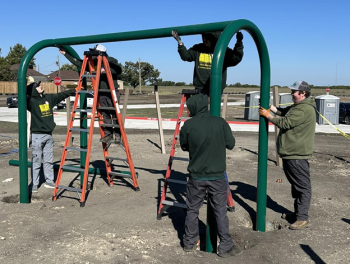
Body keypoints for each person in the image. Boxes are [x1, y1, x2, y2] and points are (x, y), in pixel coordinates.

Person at [179, 93, 241, 258]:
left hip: (196, 177)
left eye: (188, 108)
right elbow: (231, 144)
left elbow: (184, 146)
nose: (187, 111)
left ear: (193, 108)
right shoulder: (220, 122)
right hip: (217, 177)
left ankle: (189, 243)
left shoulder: (188, 126)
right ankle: (225, 247)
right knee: (220, 211)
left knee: (192, 210)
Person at [259, 81, 316, 230]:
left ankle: (302, 218)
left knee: (303, 187)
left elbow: (285, 122)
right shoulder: (298, 107)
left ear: (303, 93)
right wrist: (272, 108)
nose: (292, 94)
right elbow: (285, 113)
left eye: (295, 92)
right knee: (296, 186)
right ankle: (298, 214)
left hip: (296, 154)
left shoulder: (304, 109)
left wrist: (268, 116)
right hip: (291, 153)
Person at [59, 44, 122, 144]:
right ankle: (108, 135)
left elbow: (118, 70)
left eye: (95, 52)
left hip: (111, 91)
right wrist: (65, 54)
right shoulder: (94, 63)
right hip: (100, 92)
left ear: (101, 52)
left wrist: (105, 70)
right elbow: (79, 63)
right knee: (104, 114)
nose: (93, 54)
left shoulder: (111, 60)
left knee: (114, 114)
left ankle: (118, 135)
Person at [26, 77, 77, 192]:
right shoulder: (31, 102)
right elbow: (22, 97)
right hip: (37, 136)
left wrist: (74, 90)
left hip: (48, 135)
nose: (41, 87)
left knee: (48, 160)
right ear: (33, 90)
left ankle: (49, 181)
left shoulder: (48, 98)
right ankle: (34, 184)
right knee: (36, 161)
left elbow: (61, 95)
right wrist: (27, 84)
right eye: (38, 86)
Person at [172, 29, 244, 95]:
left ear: (214, 39)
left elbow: (236, 58)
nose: (205, 40)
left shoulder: (222, 51)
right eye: (203, 37)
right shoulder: (198, 48)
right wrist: (179, 42)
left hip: (215, 90)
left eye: (208, 38)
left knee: (212, 109)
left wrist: (239, 42)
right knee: (195, 107)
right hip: (199, 90)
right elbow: (186, 56)